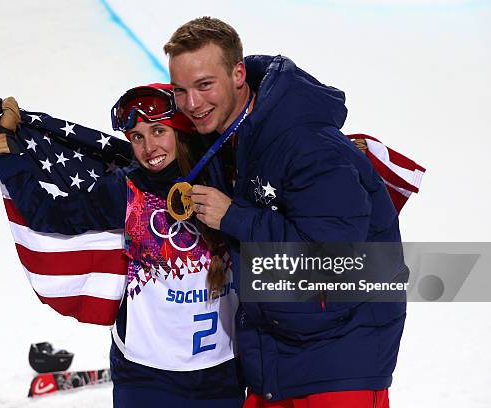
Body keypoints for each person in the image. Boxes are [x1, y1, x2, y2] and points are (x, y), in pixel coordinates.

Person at [163, 17, 404, 407]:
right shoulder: (227, 136)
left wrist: (234, 217)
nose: (192, 104)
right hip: (273, 359)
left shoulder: (307, 143)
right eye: (181, 90)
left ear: (238, 73)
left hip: (339, 365)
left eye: (204, 85)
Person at [0, 84, 244, 407]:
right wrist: (6, 153)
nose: (149, 147)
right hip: (147, 378)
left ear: (180, 129)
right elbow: (48, 215)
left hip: (220, 374)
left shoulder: (226, 174)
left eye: (158, 131)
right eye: (137, 137)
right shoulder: (125, 189)